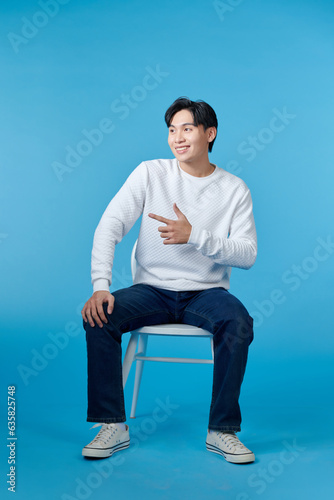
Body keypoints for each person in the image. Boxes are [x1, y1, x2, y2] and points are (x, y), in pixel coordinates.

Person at [81, 97, 257, 464]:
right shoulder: (150, 173)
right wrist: (101, 284)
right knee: (99, 314)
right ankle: (113, 424)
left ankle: (222, 430)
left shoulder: (234, 189)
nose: (177, 137)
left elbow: (247, 254)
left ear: (209, 134)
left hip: (206, 294)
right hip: (152, 291)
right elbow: (109, 226)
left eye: (187, 129)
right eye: (172, 130)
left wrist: (195, 235)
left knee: (238, 322)